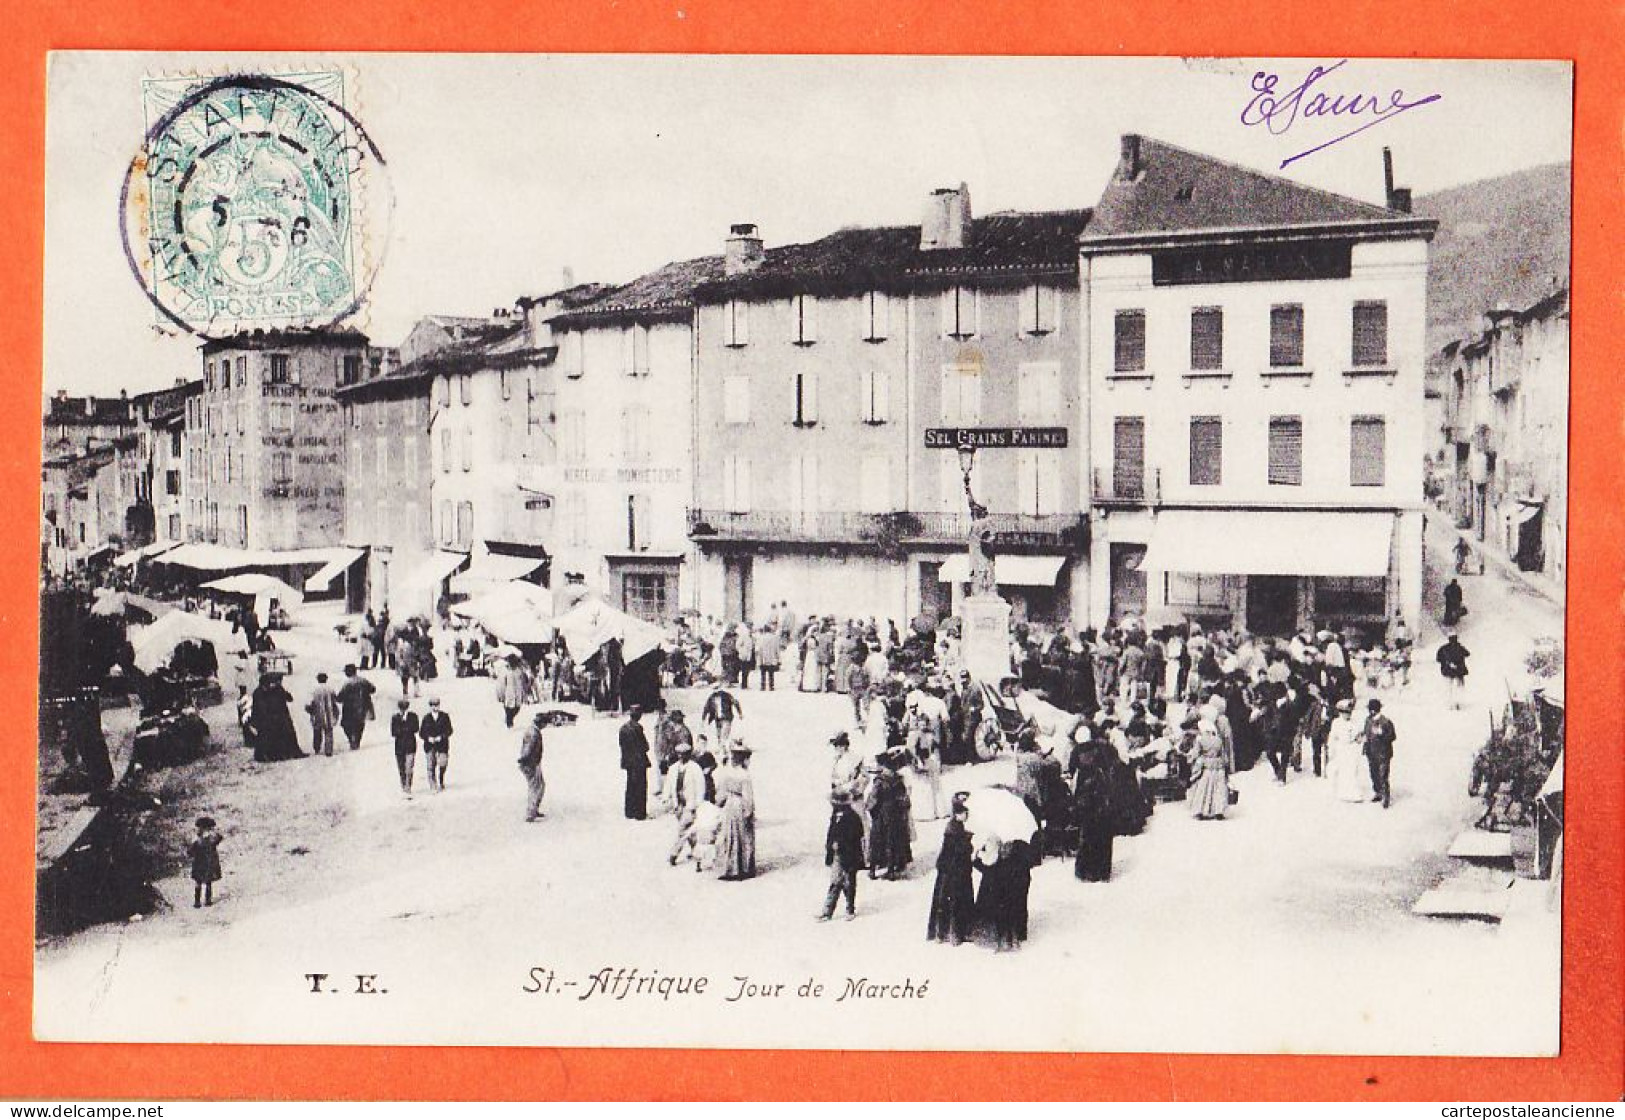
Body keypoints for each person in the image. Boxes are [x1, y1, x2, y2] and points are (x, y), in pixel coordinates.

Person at [926, 797, 975, 944]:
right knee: (956, 902)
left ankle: (942, 933)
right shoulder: (955, 829)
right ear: (957, 814)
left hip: (949, 871)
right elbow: (959, 850)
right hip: (955, 872)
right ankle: (955, 933)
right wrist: (969, 842)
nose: (966, 815)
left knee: (945, 901)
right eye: (964, 813)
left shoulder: (954, 827)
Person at [820, 790, 865, 921]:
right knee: (835, 882)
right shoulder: (835, 816)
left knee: (849, 883)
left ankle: (850, 909)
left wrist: (840, 844)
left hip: (850, 855)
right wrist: (830, 848)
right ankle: (827, 912)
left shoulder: (852, 817)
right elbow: (830, 834)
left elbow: (856, 835)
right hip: (837, 856)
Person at [715, 744, 757, 880]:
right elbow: (748, 797)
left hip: (729, 804)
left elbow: (720, 793)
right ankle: (744, 868)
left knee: (729, 836)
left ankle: (729, 867)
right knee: (744, 836)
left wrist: (720, 803)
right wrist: (749, 812)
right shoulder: (745, 775)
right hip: (739, 804)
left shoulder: (727, 773)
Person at [666, 740, 708, 866]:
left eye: (684, 754)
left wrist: (698, 804)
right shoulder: (673, 768)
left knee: (682, 830)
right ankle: (698, 854)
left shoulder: (695, 768)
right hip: (678, 804)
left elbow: (701, 787)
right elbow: (669, 784)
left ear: (688, 755)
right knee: (690, 831)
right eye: (679, 754)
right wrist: (666, 797)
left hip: (690, 804)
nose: (681, 756)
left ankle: (674, 854)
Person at [249, 673, 304, 762]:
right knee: (266, 736)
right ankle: (266, 755)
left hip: (278, 717)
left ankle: (281, 754)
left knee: (283, 735)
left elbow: (289, 698)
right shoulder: (261, 692)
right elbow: (262, 707)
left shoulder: (272, 690)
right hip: (266, 718)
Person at [1187, 719, 1231, 820]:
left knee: (1204, 788)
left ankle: (1202, 810)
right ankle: (1218, 811)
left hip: (1207, 765)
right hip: (1218, 765)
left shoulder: (1201, 740)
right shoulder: (1218, 740)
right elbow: (1224, 755)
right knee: (1218, 789)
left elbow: (1195, 753)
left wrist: (1190, 758)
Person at [1327, 698, 1370, 802]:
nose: (1348, 715)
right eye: (1346, 712)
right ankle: (1344, 793)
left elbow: (1359, 735)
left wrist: (1360, 739)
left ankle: (1353, 793)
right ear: (1341, 713)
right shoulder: (1336, 723)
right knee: (1343, 771)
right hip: (1341, 749)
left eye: (1349, 712)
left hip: (1352, 749)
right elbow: (1332, 737)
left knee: (1352, 770)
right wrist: (1331, 751)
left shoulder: (1354, 723)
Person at [1362, 698, 1397, 809]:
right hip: (1371, 752)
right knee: (1373, 773)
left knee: (1383, 775)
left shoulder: (1386, 722)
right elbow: (1366, 734)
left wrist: (1381, 734)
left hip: (1383, 753)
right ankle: (1378, 792)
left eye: (1372, 710)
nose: (1371, 712)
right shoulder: (1368, 720)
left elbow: (1393, 736)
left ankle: (1385, 797)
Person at [620, 706, 651, 820]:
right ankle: (640, 813)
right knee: (640, 787)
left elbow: (622, 746)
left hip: (628, 762)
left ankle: (629, 811)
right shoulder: (638, 728)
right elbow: (645, 746)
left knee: (630, 786)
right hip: (639, 762)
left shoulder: (623, 728)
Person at [336, 664, 376, 752]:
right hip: (362, 706)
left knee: (345, 724)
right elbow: (373, 689)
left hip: (349, 708)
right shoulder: (363, 680)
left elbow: (340, 697)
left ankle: (351, 739)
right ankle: (357, 741)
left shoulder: (347, 683)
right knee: (360, 724)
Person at [414, 697, 451, 791]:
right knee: (430, 765)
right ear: (430, 707)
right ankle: (433, 785)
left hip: (442, 745)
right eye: (433, 705)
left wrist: (441, 737)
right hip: (430, 745)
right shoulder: (426, 718)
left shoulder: (445, 716)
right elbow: (421, 732)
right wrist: (428, 738)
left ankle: (441, 779)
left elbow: (449, 730)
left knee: (443, 763)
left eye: (436, 705)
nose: (435, 707)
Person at [517, 710, 547, 821]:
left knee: (540, 785)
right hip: (530, 763)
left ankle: (534, 809)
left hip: (534, 762)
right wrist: (525, 761)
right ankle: (531, 813)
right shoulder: (533, 733)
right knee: (535, 787)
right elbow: (527, 749)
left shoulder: (534, 730)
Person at [187, 815, 223, 908]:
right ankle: (207, 901)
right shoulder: (212, 839)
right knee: (208, 882)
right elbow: (219, 838)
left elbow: (190, 852)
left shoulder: (197, 840)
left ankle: (197, 902)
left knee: (198, 882)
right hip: (209, 863)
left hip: (199, 863)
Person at [305, 671, 339, 757]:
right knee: (328, 732)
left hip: (317, 714)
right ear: (326, 679)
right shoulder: (330, 689)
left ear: (317, 679)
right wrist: (336, 712)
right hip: (328, 713)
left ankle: (317, 748)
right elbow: (335, 700)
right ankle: (328, 750)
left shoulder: (314, 690)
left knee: (317, 732)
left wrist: (309, 711)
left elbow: (310, 703)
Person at [390, 699, 420, 796]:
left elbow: (416, 729)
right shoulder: (395, 718)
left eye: (404, 709)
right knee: (401, 767)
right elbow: (393, 732)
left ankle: (408, 786)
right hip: (399, 747)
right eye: (401, 709)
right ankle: (403, 783)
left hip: (410, 746)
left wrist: (402, 729)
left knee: (409, 767)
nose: (403, 711)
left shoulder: (413, 716)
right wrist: (406, 729)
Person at [1437, 633, 1471, 709]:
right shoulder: (1460, 647)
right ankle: (1458, 702)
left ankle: (1450, 703)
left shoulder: (1443, 648)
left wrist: (1445, 662)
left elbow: (1438, 659)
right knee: (1459, 687)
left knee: (1449, 687)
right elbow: (1467, 654)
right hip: (1459, 670)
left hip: (1448, 670)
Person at [496, 655, 529, 728]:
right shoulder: (505, 671)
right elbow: (501, 684)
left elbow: (524, 682)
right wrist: (500, 695)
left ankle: (509, 720)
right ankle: (509, 726)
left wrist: (525, 693)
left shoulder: (519, 671)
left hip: (518, 692)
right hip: (508, 693)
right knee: (509, 709)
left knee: (517, 708)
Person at [756, 625, 781, 691]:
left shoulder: (761, 638)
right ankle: (771, 686)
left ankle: (763, 686)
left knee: (763, 672)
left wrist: (758, 657)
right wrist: (778, 657)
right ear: (770, 630)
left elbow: (758, 648)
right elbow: (777, 649)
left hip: (763, 657)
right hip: (771, 657)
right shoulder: (774, 638)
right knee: (771, 672)